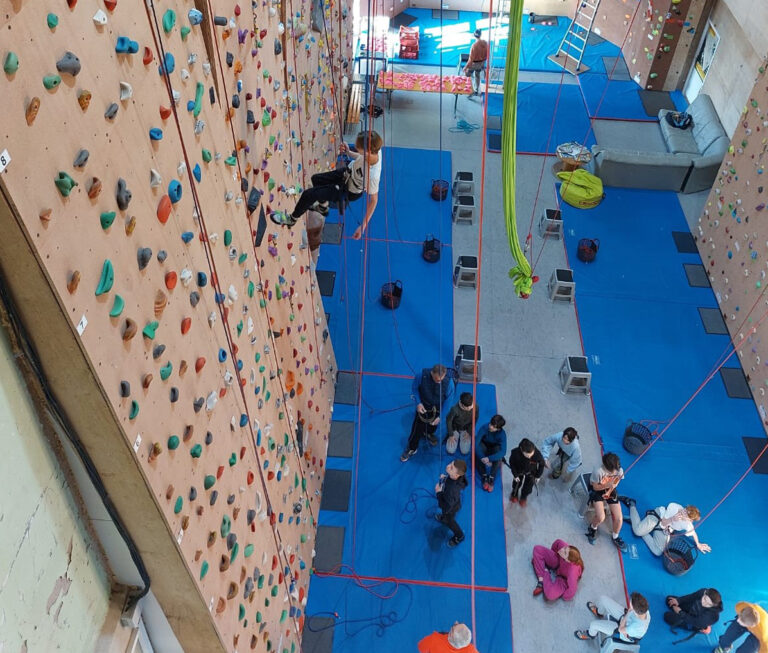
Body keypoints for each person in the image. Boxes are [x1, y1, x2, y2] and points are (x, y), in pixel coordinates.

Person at [274, 130, 382, 240]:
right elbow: (360, 156)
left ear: (368, 151)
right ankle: (322, 208)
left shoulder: (373, 176)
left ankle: (292, 219)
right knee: (316, 179)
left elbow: (374, 201)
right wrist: (348, 152)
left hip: (348, 190)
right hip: (347, 173)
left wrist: (362, 226)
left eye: (359, 148)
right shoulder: (375, 150)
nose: (358, 149)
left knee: (309, 194)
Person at [621, 497, 712, 556]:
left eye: (686, 515)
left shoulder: (687, 524)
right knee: (637, 531)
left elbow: (694, 533)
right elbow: (663, 523)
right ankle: (632, 504)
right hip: (659, 517)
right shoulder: (674, 506)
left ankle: (636, 523)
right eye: (685, 510)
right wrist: (673, 519)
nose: (683, 513)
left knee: (658, 552)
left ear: (690, 520)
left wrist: (698, 543)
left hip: (664, 528)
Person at [401, 364, 453, 462]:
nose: (439, 382)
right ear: (432, 373)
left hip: (437, 408)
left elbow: (448, 401)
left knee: (433, 425)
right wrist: (418, 403)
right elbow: (415, 388)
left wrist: (441, 417)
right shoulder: (421, 376)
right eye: (437, 380)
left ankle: (428, 433)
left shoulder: (449, 383)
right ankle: (412, 448)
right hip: (424, 405)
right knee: (417, 428)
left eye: (441, 379)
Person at [585, 452, 628, 551]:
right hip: (598, 491)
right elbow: (595, 487)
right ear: (606, 466)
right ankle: (593, 528)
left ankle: (615, 536)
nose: (615, 472)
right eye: (612, 471)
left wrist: (614, 485)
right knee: (601, 517)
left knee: (619, 518)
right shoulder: (598, 471)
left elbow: (618, 479)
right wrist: (606, 485)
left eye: (616, 469)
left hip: (610, 491)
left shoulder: (619, 470)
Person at [574, 592, 651, 643]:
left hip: (622, 629)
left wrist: (627, 614)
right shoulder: (645, 610)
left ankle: (591, 635)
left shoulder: (636, 627)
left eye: (630, 603)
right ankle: (599, 613)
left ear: (634, 609)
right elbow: (630, 612)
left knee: (593, 625)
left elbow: (621, 629)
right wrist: (629, 612)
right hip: (627, 617)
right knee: (603, 598)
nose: (629, 602)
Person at [434, 460, 468, 548]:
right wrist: (445, 477)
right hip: (454, 502)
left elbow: (445, 506)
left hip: (450, 508)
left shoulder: (451, 491)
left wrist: (438, 493)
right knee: (447, 517)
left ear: (456, 475)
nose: (448, 466)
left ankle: (459, 536)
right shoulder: (457, 477)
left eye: (451, 468)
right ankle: (444, 518)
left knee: (450, 522)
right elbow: (452, 479)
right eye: (451, 463)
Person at [507, 438, 544, 507]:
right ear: (521, 450)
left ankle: (524, 497)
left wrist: (538, 476)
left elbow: (542, 464)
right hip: (519, 471)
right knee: (516, 483)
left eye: (531, 454)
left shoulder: (536, 454)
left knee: (529, 485)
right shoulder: (515, 453)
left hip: (531, 472)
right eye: (527, 455)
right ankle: (514, 494)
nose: (530, 456)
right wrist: (515, 475)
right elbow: (512, 463)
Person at [475, 414, 507, 492]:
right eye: (490, 424)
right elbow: (476, 443)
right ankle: (484, 475)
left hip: (493, 449)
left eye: (493, 426)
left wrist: (489, 459)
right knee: (478, 451)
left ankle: (492, 477)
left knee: (498, 455)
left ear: (499, 429)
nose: (490, 427)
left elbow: (503, 452)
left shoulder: (502, 435)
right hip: (484, 446)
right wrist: (482, 457)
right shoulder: (484, 428)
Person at [463, 29, 488, 95]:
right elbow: (487, 55)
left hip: (474, 64)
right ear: (481, 35)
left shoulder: (474, 45)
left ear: (474, 35)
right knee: (477, 75)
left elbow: (471, 59)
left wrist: (465, 67)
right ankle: (476, 89)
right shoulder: (485, 43)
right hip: (481, 63)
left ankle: (469, 90)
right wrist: (483, 64)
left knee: (467, 75)